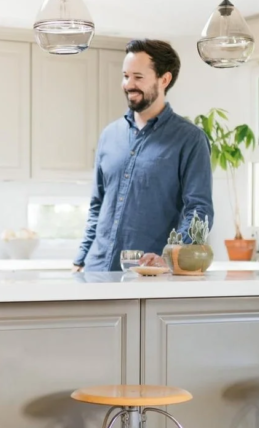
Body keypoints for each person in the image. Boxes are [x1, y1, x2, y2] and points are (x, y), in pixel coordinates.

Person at [73, 39, 213, 272]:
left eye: (138, 77)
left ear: (164, 79)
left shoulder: (190, 139)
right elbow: (98, 205)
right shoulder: (109, 135)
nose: (128, 84)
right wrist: (80, 258)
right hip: (95, 270)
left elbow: (199, 210)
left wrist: (169, 258)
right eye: (126, 76)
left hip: (148, 276)